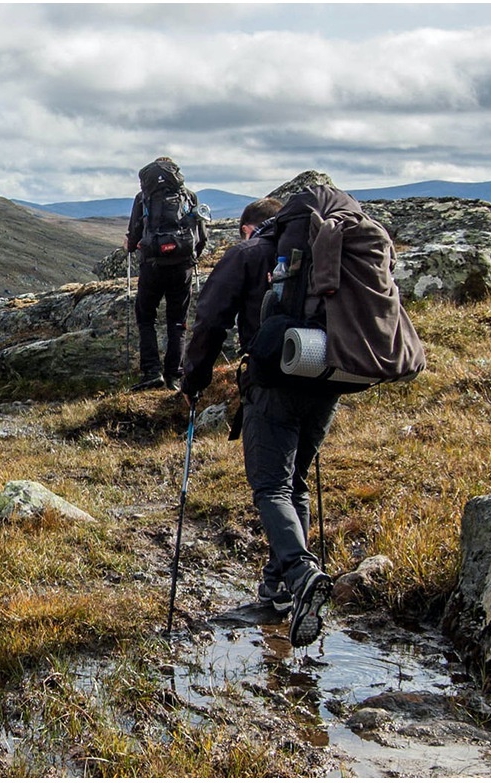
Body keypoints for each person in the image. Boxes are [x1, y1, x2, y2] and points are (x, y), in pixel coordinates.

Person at [180, 197, 338, 648]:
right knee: (295, 483)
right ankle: (280, 591)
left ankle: (301, 573)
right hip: (327, 375)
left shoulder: (248, 253)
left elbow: (209, 319)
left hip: (274, 380)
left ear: (251, 228)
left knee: (271, 486)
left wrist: (194, 381)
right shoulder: (327, 248)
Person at [124, 157, 208, 392]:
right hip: (182, 267)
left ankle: (151, 372)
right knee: (178, 321)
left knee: (146, 317)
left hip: (152, 267)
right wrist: (192, 258)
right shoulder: (189, 196)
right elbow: (201, 236)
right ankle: (174, 376)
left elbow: (134, 236)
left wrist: (130, 245)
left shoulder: (143, 198)